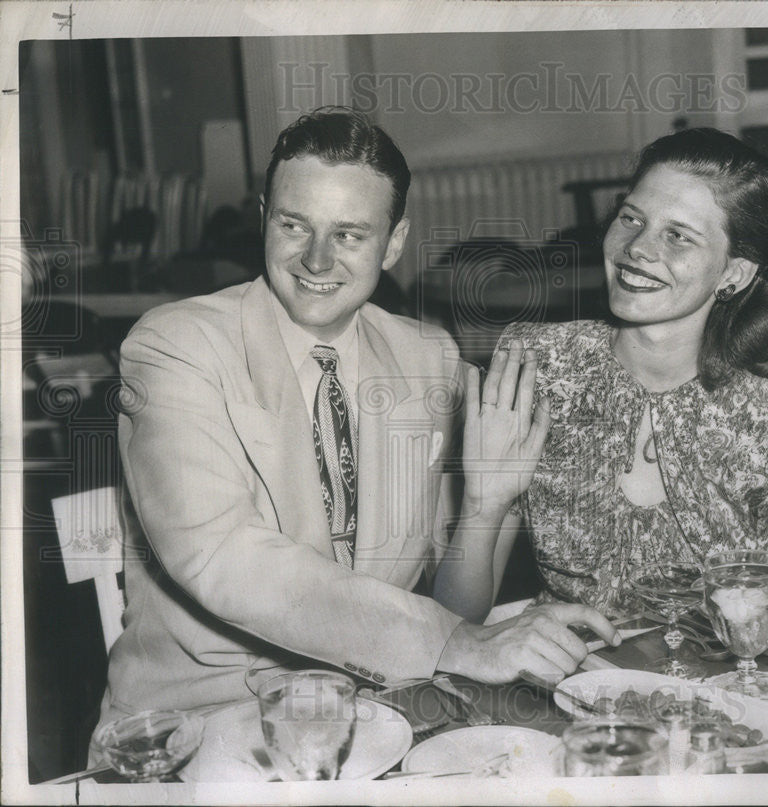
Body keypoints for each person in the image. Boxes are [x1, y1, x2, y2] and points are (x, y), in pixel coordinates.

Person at [93, 108, 617, 737]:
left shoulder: (429, 358)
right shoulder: (177, 345)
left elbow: (445, 619)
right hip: (201, 726)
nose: (317, 259)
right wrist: (457, 643)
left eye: (349, 235)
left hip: (377, 716)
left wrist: (485, 506)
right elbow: (222, 556)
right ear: (264, 215)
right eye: (294, 225)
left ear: (393, 243)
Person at [434, 127, 768, 621]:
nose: (638, 247)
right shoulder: (540, 366)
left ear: (735, 273)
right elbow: (454, 623)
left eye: (678, 235)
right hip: (567, 676)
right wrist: (483, 502)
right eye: (631, 218)